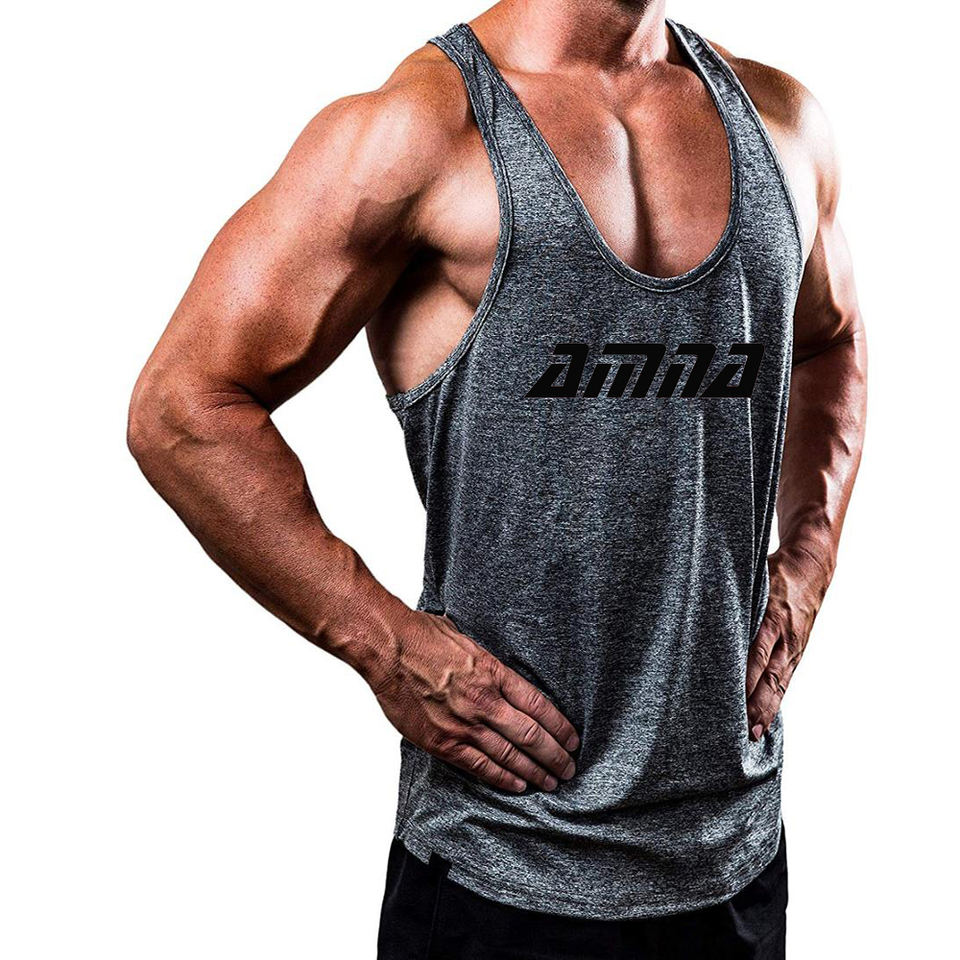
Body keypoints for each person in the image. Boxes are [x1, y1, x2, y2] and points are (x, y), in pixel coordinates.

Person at [128, 1, 867, 956]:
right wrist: (385, 644)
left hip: (732, 858)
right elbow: (182, 408)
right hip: (502, 862)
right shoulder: (421, 133)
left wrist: (810, 556)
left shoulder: (781, 123)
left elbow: (831, 340)